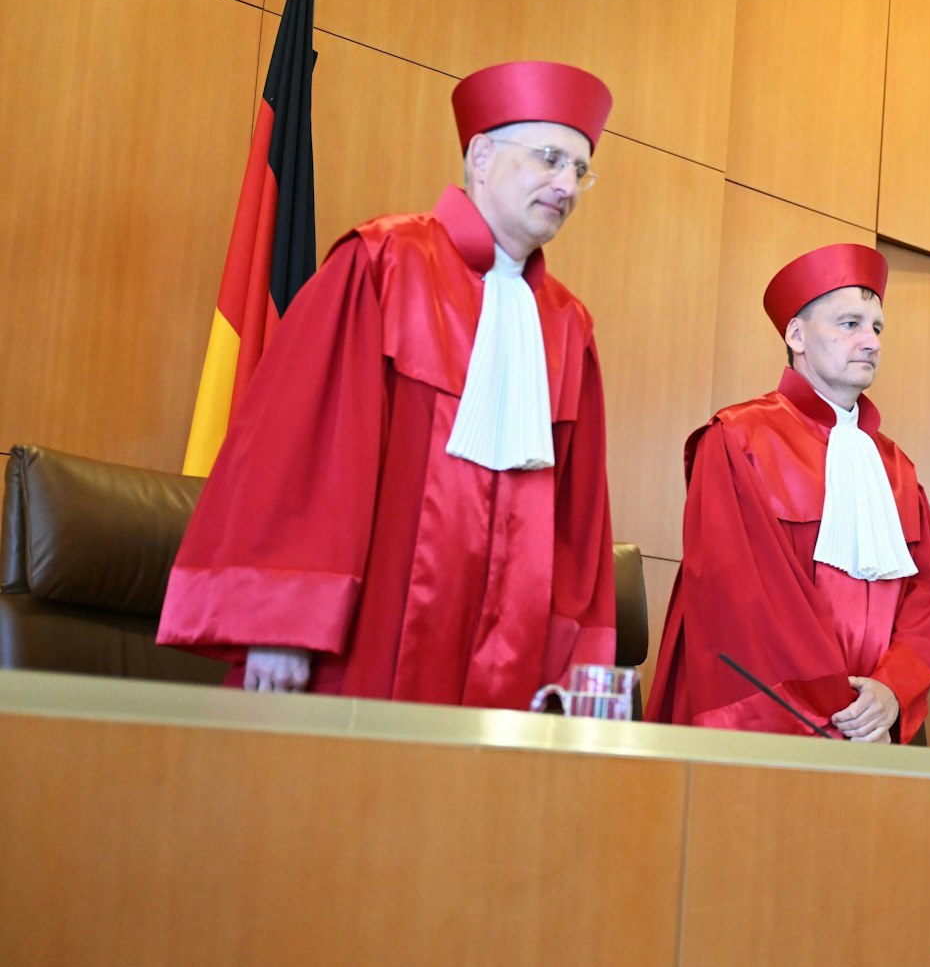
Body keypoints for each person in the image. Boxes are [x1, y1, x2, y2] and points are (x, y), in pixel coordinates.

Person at [158, 61, 620, 707]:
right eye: (549, 158)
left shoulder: (568, 326)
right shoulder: (382, 263)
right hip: (363, 632)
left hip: (506, 655)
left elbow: (577, 524)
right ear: (481, 155)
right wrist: (284, 620)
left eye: (579, 169)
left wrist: (574, 669)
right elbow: (301, 448)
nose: (565, 183)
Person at [645, 245, 930, 742]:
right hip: (774, 722)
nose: (870, 342)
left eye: (877, 328)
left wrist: (890, 690)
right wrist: (835, 706)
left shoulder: (898, 469)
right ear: (796, 335)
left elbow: (928, 603)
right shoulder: (737, 438)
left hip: (873, 724)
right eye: (850, 324)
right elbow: (746, 603)